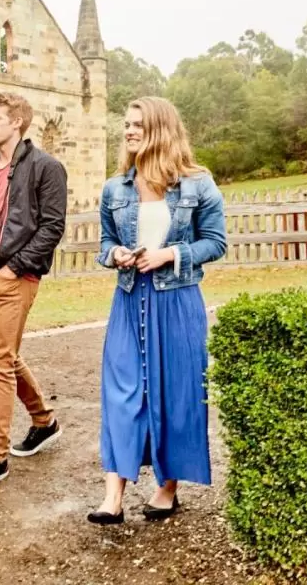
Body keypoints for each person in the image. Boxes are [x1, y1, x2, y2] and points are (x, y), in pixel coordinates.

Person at [87, 97, 226, 525]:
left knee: (176, 393)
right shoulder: (115, 188)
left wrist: (169, 254)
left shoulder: (198, 184)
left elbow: (216, 242)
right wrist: (117, 256)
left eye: (137, 125)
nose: (128, 131)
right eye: (126, 125)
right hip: (128, 300)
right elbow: (104, 245)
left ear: (161, 129)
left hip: (178, 302)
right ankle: (113, 496)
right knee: (122, 392)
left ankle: (167, 488)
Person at [0, 92, 67, 492]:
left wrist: (11, 270)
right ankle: (44, 421)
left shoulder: (45, 167)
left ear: (17, 123)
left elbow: (52, 228)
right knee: (5, 356)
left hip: (15, 278)